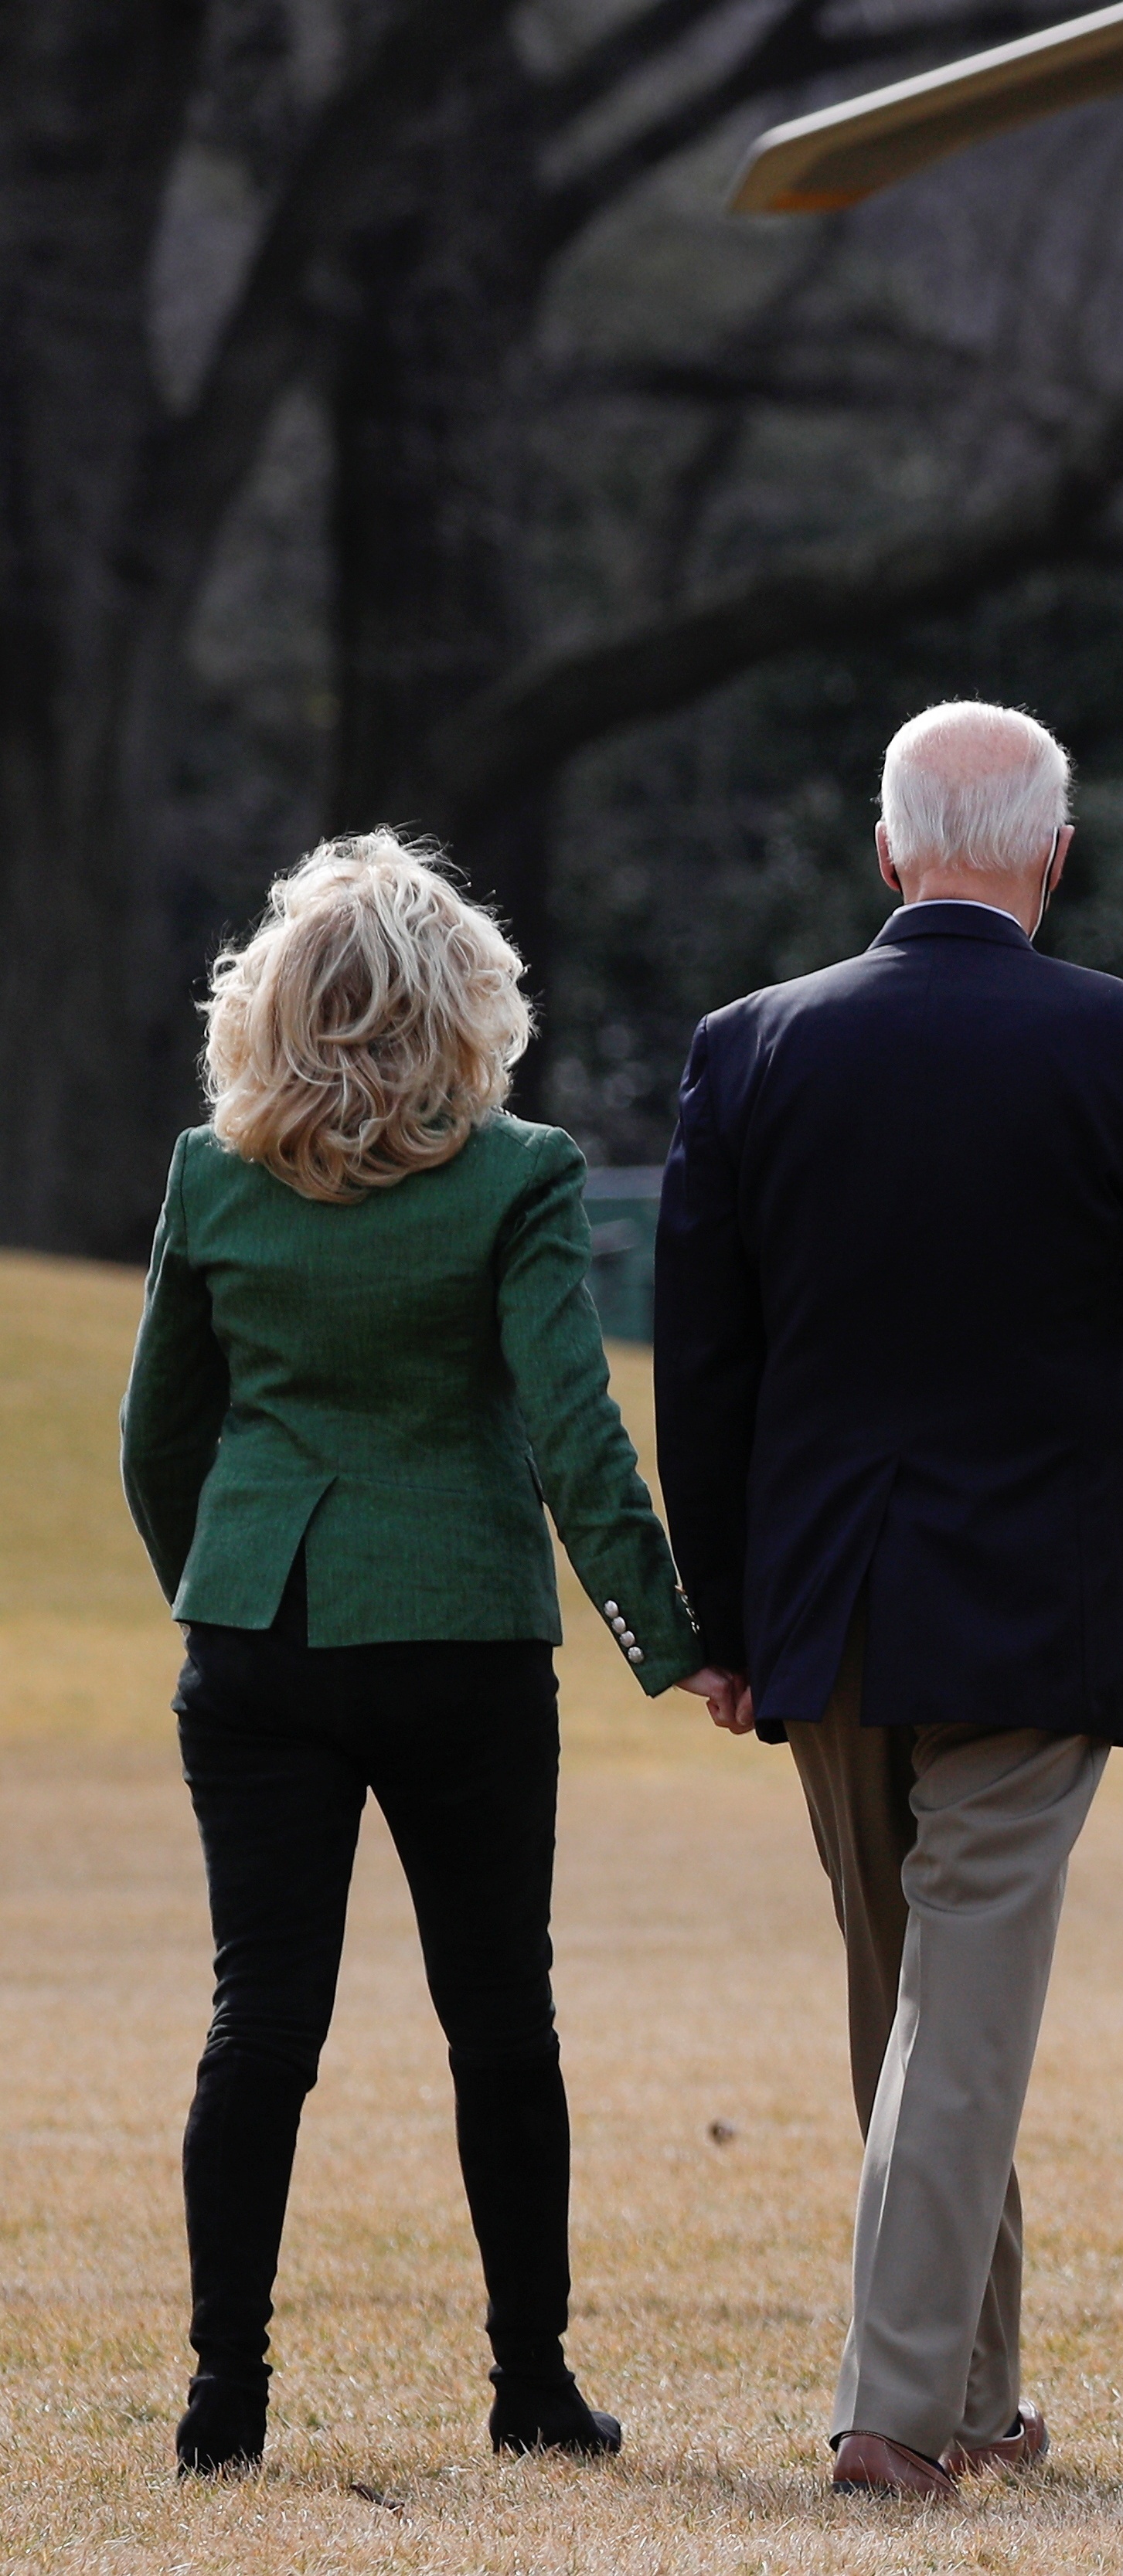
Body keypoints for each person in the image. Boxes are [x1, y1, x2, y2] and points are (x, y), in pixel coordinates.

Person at [655, 700, 1123, 2500]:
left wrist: (720, 1616)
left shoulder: (748, 1043)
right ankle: (892, 2412)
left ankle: (978, 2389)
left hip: (825, 1598)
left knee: (914, 2003)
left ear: (887, 850)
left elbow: (703, 1365)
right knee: (960, 2006)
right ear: (1057, 855)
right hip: (1031, 1592)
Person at [117, 833, 742, 2476]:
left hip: (258, 1643)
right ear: (464, 1002)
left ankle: (224, 2399)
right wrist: (671, 1640)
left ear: (269, 1004)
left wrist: (222, 1589)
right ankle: (532, 2384)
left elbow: (154, 1440)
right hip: (463, 1636)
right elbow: (575, 1433)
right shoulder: (518, 1173)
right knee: (501, 2017)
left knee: (260, 2022)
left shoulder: (211, 1176)